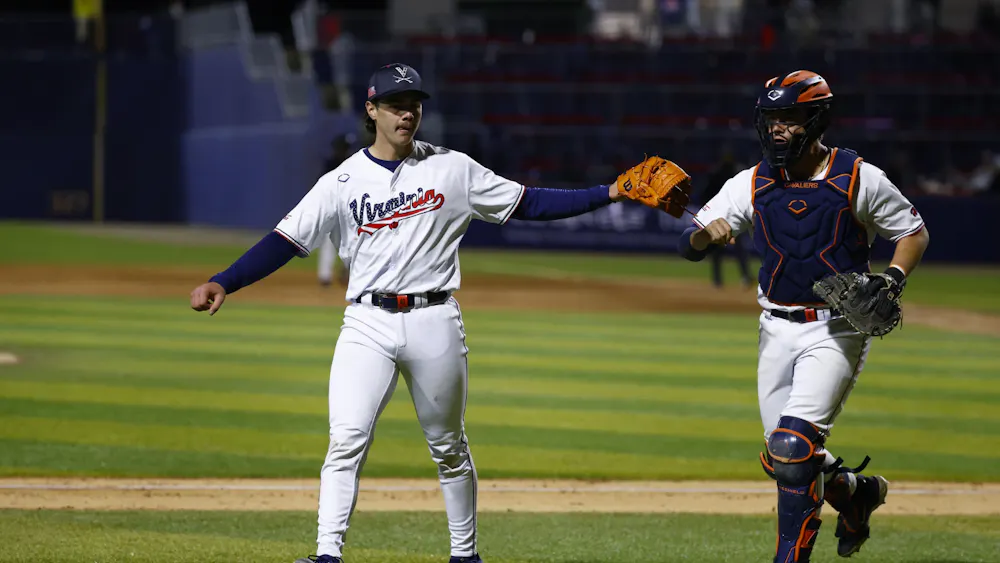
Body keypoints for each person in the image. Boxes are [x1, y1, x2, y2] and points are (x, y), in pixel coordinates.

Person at [189, 62, 679, 563]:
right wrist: (225, 281)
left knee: (448, 447)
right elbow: (283, 241)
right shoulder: (341, 181)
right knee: (346, 440)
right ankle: (326, 555)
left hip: (435, 319)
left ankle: (464, 555)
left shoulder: (453, 168)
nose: (408, 113)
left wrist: (612, 192)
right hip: (367, 323)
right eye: (397, 104)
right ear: (371, 110)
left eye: (415, 104)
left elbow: (530, 203)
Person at [678, 70, 930, 562]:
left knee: (795, 451)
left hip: (835, 329)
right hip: (774, 327)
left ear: (815, 120)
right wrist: (709, 234)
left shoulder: (858, 177)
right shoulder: (750, 182)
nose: (778, 129)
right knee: (782, 458)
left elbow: (913, 233)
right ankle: (856, 495)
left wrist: (893, 279)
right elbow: (690, 243)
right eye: (771, 119)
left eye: (789, 119)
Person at [699, 149, 753, 289]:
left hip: (726, 216)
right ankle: (743, 277)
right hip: (731, 216)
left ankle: (720, 280)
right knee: (735, 250)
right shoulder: (735, 173)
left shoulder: (717, 173)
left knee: (723, 250)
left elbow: (705, 195)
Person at [317, 135, 354, 286]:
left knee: (351, 242)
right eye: (344, 147)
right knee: (329, 242)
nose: (346, 150)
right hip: (332, 209)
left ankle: (349, 273)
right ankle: (325, 276)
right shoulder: (331, 163)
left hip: (347, 210)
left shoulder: (352, 163)